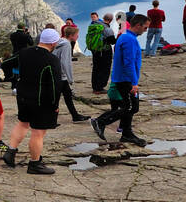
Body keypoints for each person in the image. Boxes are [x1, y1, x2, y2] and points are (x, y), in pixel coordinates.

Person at [1, 29, 63, 174]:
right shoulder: (52, 60)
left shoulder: (24, 52)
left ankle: (10, 152)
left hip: (22, 96)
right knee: (38, 132)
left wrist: (14, 78)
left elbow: (6, 64)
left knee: (23, 123)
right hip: (41, 101)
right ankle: (35, 164)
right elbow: (56, 86)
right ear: (53, 43)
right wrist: (54, 105)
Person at [91, 13, 149, 147]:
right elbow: (128, 62)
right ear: (138, 25)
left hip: (123, 77)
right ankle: (101, 121)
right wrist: (134, 83)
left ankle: (127, 134)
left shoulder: (125, 37)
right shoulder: (129, 39)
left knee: (131, 107)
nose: (145, 30)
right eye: (145, 28)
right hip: (125, 79)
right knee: (129, 106)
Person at [53, 25, 90, 121]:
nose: (78, 36)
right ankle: (52, 119)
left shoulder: (60, 42)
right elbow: (65, 62)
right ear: (71, 35)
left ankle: (75, 116)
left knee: (67, 95)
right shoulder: (66, 44)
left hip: (56, 72)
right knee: (57, 98)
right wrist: (70, 78)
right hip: (61, 75)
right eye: (77, 35)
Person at [86, 13, 112, 93]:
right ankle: (100, 87)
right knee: (104, 69)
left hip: (95, 51)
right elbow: (112, 41)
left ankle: (95, 87)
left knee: (96, 68)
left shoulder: (94, 25)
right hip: (104, 51)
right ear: (110, 20)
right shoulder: (107, 29)